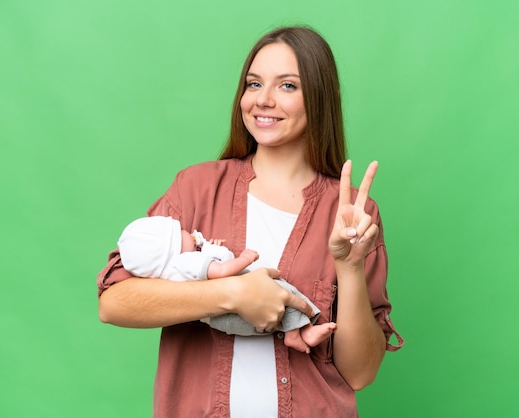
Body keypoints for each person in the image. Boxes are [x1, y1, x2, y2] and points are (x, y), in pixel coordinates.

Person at [97, 25, 403, 417]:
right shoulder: (197, 188)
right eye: (254, 84)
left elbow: (360, 373)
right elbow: (115, 302)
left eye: (288, 86)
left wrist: (349, 267)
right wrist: (233, 295)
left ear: (322, 96)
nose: (264, 100)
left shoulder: (352, 214)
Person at [117, 215, 337, 353]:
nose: (190, 233)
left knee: (280, 301)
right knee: (281, 294)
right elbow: (221, 271)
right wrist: (246, 258)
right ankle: (299, 333)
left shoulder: (176, 269)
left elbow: (210, 267)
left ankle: (300, 332)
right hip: (231, 314)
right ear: (173, 247)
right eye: (182, 233)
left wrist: (210, 248)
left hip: (223, 320)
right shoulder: (186, 260)